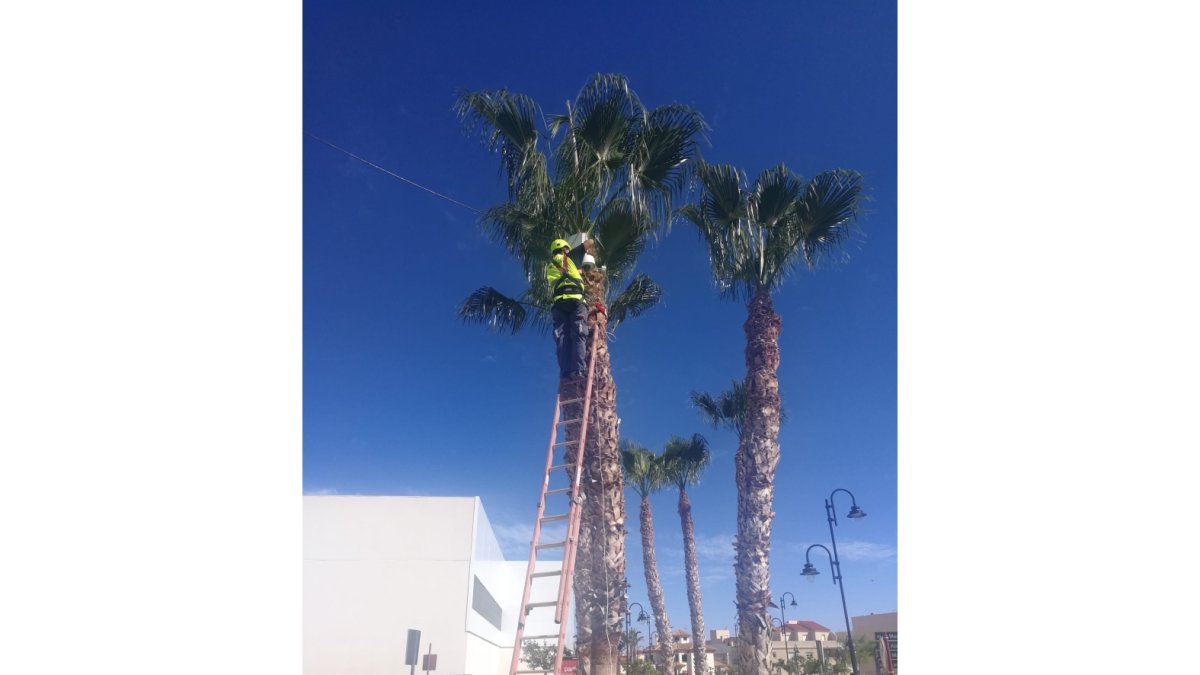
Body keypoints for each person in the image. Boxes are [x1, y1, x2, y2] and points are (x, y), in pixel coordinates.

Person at [547, 237, 591, 380]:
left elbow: (562, 275)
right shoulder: (570, 257)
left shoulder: (550, 266)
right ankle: (578, 370)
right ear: (565, 249)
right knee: (578, 334)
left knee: (562, 337)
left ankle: (565, 372)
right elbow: (590, 242)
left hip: (559, 304)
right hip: (576, 299)